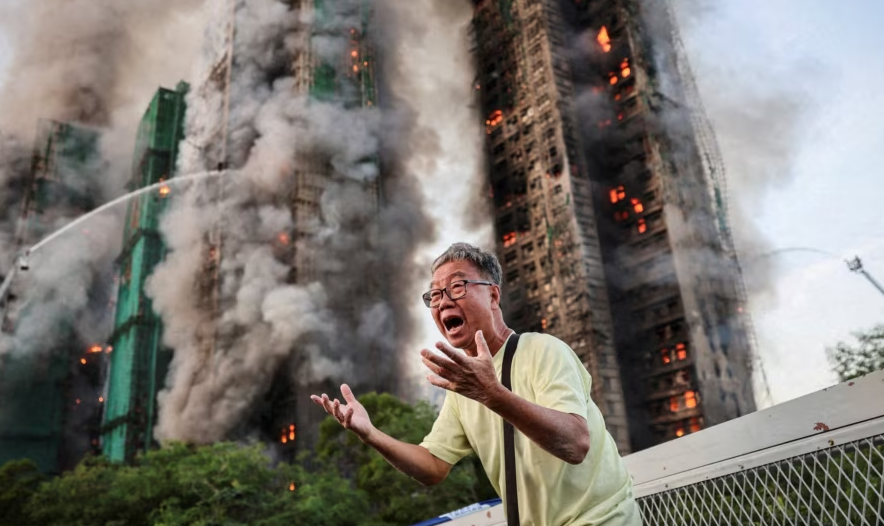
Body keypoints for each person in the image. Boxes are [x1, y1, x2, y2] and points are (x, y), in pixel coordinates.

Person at [311, 242, 641, 525]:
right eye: (435, 295)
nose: (442, 302)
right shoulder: (464, 388)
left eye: (457, 287)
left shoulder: (543, 351)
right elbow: (432, 467)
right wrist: (370, 434)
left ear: (493, 295)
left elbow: (575, 443)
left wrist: (492, 394)